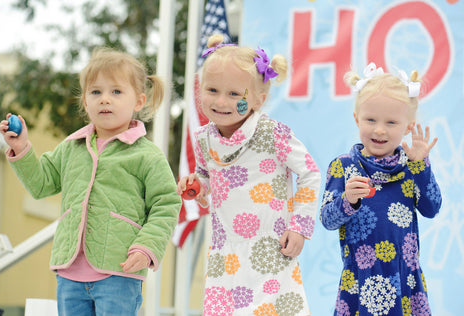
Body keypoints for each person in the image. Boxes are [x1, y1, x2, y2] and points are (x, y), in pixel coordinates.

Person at [0, 47, 182, 315]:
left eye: (116, 92)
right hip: (70, 272)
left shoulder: (147, 154)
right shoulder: (71, 147)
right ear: (85, 101)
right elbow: (40, 185)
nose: (105, 99)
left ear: (139, 101)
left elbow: (166, 204)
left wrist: (148, 247)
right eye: (96, 92)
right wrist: (22, 147)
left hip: (119, 271)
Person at [176, 34, 321, 316]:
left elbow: (310, 173)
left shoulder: (271, 133)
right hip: (224, 254)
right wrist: (198, 185)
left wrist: (299, 225)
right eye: (212, 90)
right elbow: (206, 177)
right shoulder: (204, 139)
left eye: (234, 94)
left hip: (271, 249)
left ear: (258, 100)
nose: (221, 101)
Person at [320, 62, 442, 315]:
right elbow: (327, 220)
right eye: (371, 119)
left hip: (405, 279)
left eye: (391, 122)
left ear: (409, 126)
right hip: (360, 281)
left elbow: (432, 208)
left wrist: (422, 167)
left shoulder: (411, 168)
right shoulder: (344, 166)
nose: (379, 129)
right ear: (357, 118)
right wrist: (348, 200)